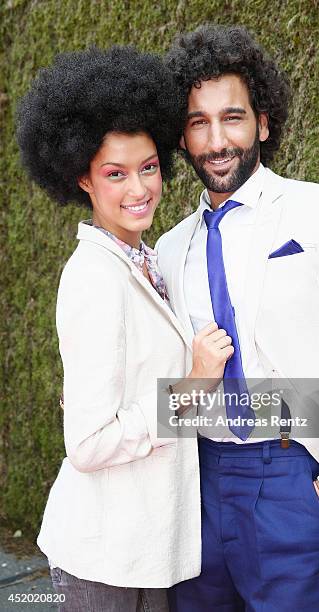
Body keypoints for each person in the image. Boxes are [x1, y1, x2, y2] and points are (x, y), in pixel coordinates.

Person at [155, 25, 319, 611]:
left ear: (263, 123)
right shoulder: (168, 248)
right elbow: (173, 379)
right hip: (195, 483)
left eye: (232, 117)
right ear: (183, 138)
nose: (217, 140)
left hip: (294, 474)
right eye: (198, 123)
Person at [16, 46, 234, 611]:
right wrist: (193, 384)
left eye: (149, 167)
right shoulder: (94, 277)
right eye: (115, 174)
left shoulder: (147, 260)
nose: (139, 190)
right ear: (82, 179)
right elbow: (87, 445)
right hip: (103, 556)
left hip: (144, 547)